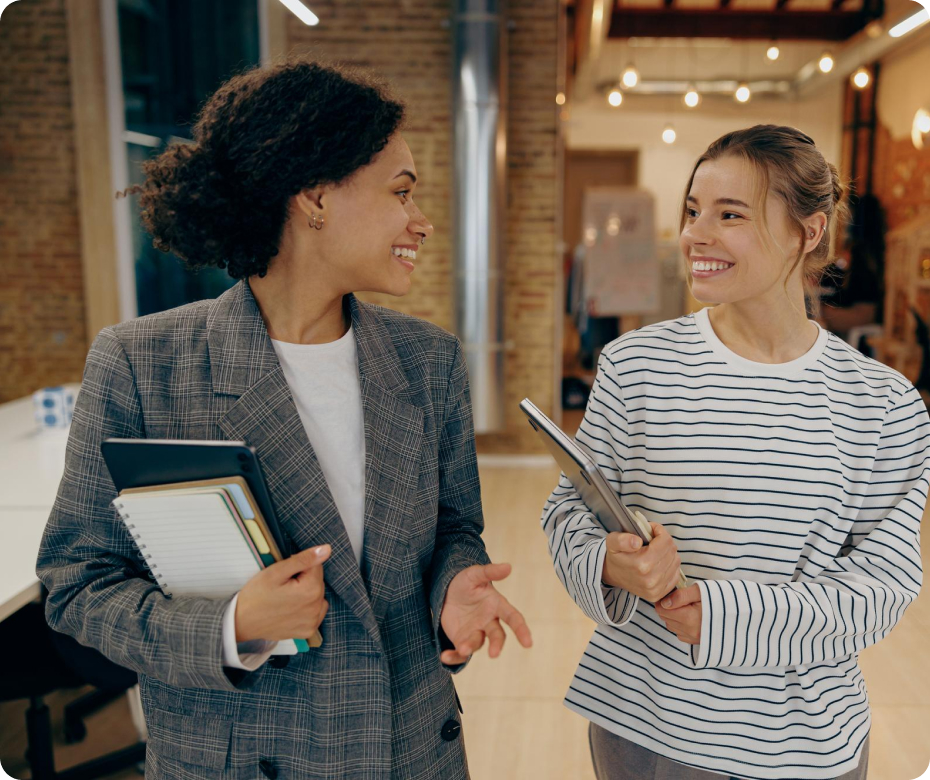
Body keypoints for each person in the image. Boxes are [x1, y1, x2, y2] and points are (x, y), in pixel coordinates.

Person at [36, 59, 532, 780]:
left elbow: (455, 527)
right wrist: (231, 627)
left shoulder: (428, 361)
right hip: (243, 757)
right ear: (315, 197)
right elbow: (76, 583)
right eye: (400, 193)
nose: (420, 221)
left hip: (409, 746)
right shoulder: (143, 363)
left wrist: (454, 587)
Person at [541, 124, 927, 780]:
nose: (696, 234)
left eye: (730, 215)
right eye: (693, 211)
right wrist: (608, 562)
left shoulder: (883, 403)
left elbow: (881, 587)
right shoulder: (636, 365)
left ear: (808, 232)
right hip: (644, 719)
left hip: (803, 741)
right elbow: (568, 514)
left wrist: (721, 614)